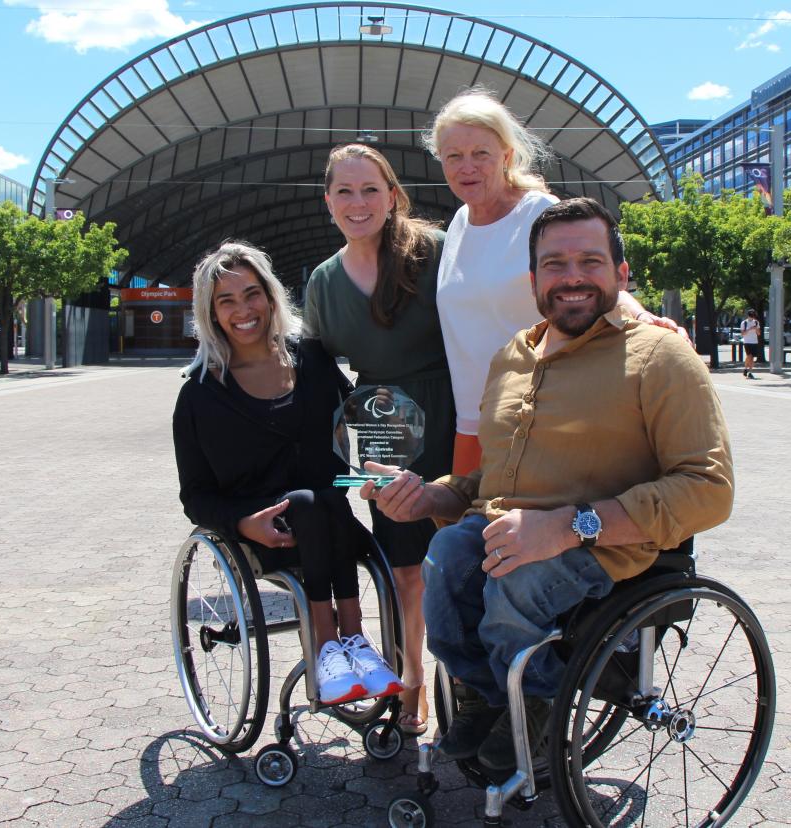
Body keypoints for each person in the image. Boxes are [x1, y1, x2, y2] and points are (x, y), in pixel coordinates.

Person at [364, 198, 734, 772]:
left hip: (606, 545)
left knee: (516, 579)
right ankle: (488, 697)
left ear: (621, 274)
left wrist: (563, 527)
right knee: (442, 558)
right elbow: (491, 478)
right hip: (504, 528)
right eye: (555, 264)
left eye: (590, 260)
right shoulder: (512, 355)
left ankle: (541, 705)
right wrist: (429, 496)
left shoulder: (660, 356)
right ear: (534, 280)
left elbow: (708, 488)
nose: (573, 277)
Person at [173, 240, 403, 707]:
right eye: (227, 300)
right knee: (307, 503)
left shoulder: (312, 360)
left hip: (335, 522)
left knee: (324, 499)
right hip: (265, 535)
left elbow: (359, 415)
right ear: (210, 312)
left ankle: (350, 646)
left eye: (252, 293)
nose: (244, 309)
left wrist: (390, 454)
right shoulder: (199, 396)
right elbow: (195, 496)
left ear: (272, 296)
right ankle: (333, 639)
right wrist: (241, 522)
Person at [423, 87, 685, 476]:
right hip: (473, 422)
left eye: (481, 154)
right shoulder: (459, 222)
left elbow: (590, 280)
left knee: (518, 531)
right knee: (464, 529)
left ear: (507, 156)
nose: (467, 167)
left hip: (541, 416)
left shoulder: (539, 214)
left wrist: (641, 315)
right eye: (454, 157)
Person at [303, 143, 457, 735]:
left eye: (370, 189)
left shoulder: (437, 252)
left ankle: (469, 686)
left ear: (392, 195)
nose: (358, 202)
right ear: (328, 203)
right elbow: (313, 369)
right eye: (345, 191)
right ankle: (412, 681)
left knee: (469, 555)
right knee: (405, 568)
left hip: (456, 407)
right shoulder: (323, 281)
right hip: (382, 424)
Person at [740, 309, 761, 378]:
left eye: (753, 315)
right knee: (749, 356)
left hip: (754, 341)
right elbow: (743, 334)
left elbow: (758, 333)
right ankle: (746, 369)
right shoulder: (744, 323)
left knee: (752, 358)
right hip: (747, 341)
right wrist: (750, 329)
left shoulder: (756, 322)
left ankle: (750, 372)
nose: (752, 317)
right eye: (751, 315)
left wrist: (756, 329)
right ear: (748, 315)